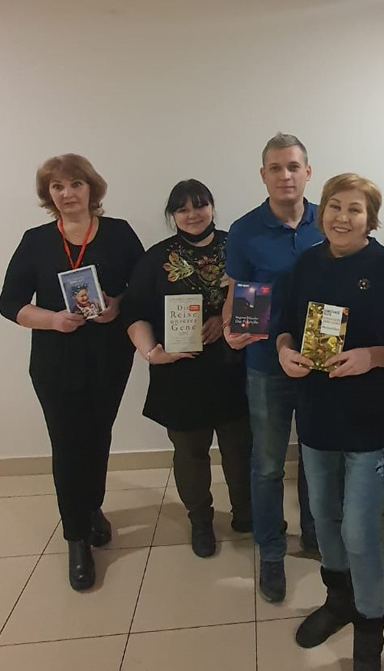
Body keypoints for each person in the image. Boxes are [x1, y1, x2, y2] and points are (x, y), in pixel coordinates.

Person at [277, 173, 384, 671]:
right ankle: (338, 601)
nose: (342, 217)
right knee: (323, 517)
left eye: (354, 209)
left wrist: (371, 357)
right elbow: (285, 326)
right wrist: (284, 351)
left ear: (370, 219)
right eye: (334, 206)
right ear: (321, 212)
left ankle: (368, 640)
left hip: (368, 421)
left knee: (359, 530)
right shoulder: (306, 263)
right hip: (316, 414)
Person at [0, 154, 143, 591]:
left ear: (91, 188)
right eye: (57, 187)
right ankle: (76, 538)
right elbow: (9, 303)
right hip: (55, 360)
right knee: (67, 444)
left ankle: (92, 507)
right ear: (49, 195)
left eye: (75, 184)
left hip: (109, 356)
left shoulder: (119, 233)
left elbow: (142, 288)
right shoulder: (35, 241)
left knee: (98, 436)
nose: (67, 193)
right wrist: (52, 319)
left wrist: (117, 304)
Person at [123, 180, 251, 558]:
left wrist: (224, 321)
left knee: (240, 449)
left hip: (233, 367)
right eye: (183, 208)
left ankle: (246, 513)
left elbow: (255, 296)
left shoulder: (237, 247)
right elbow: (133, 311)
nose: (193, 214)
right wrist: (151, 352)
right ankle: (200, 521)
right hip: (180, 373)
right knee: (190, 453)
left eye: (200, 205)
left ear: (212, 207)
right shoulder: (156, 257)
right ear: (172, 215)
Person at [223, 132, 323, 603]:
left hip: (322, 361)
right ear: (263, 175)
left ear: (308, 172)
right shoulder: (244, 230)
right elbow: (237, 293)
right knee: (266, 466)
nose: (285, 175)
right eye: (276, 168)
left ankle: (316, 534)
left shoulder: (331, 220)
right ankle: (271, 551)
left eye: (293, 166)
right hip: (266, 363)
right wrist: (231, 327)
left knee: (316, 457)